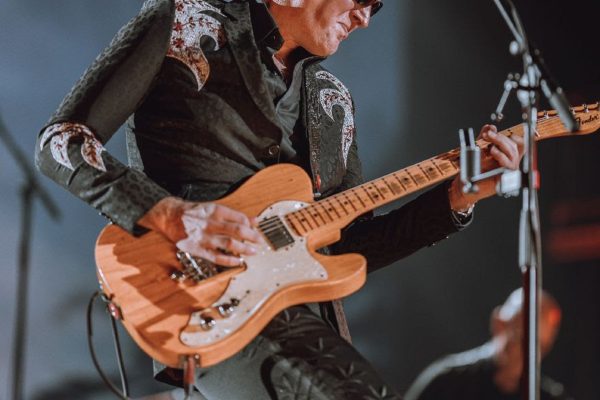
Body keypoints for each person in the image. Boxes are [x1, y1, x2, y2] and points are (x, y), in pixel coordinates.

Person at [35, 0, 523, 398]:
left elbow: (350, 245)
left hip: (310, 322)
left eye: (376, 8)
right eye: (363, 0)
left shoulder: (333, 101)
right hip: (205, 299)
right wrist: (173, 216)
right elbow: (62, 141)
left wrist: (457, 198)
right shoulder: (185, 22)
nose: (365, 18)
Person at [404, 289, 571, 400]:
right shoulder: (447, 382)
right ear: (499, 324)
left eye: (541, 346)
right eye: (521, 338)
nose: (531, 354)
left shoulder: (550, 397)